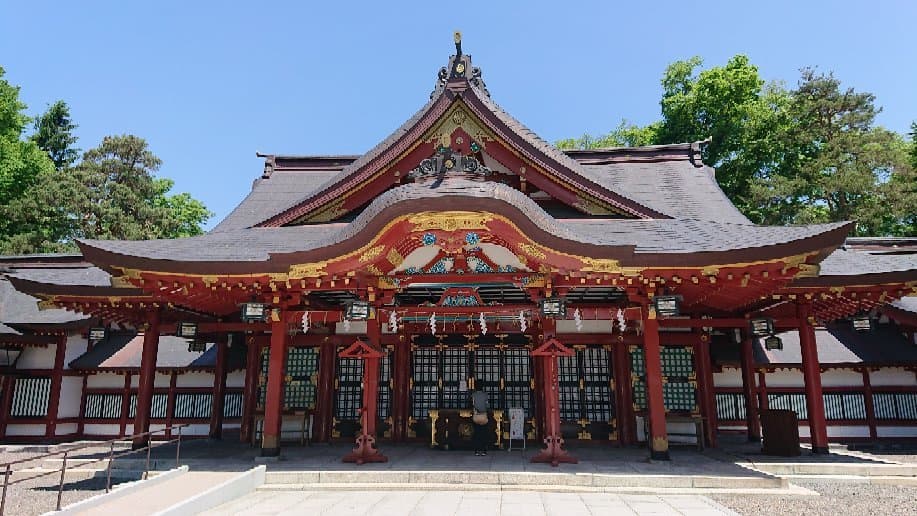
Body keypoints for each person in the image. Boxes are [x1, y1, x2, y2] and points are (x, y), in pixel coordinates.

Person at [471, 388, 489, 456]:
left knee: (476, 433)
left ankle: (476, 450)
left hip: (476, 416)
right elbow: (486, 404)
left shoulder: (474, 395)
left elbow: (473, 404)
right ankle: (484, 450)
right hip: (483, 415)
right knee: (484, 433)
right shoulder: (485, 395)